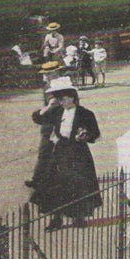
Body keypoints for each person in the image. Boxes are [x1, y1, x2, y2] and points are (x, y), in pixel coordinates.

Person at [29, 77, 102, 231]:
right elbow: (37, 118)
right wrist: (48, 106)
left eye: (63, 99)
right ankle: (56, 219)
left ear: (73, 98)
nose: (61, 102)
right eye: (59, 99)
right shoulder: (56, 111)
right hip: (60, 152)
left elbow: (95, 134)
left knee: (78, 184)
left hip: (78, 152)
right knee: (56, 185)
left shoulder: (85, 113)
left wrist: (85, 135)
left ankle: (78, 217)